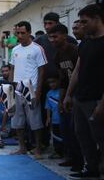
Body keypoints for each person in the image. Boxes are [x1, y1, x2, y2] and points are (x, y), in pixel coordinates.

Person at [64, 4, 104, 179]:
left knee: (101, 138)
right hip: (81, 98)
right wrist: (68, 95)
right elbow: (77, 71)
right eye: (80, 22)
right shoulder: (85, 42)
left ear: (97, 19)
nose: (82, 25)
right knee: (82, 136)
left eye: (85, 21)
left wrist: (102, 104)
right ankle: (92, 169)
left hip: (97, 99)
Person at [34, 12, 78, 148]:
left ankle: (66, 149)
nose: (47, 27)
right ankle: (45, 142)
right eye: (45, 23)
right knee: (45, 113)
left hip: (66, 86)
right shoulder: (40, 41)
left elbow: (75, 71)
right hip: (45, 82)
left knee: (65, 117)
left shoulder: (71, 43)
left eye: (50, 23)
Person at [48, 23, 83, 171]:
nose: (52, 40)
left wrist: (71, 96)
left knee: (77, 130)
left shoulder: (75, 51)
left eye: (55, 36)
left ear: (64, 35)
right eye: (50, 37)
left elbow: (80, 75)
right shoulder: (57, 56)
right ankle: (71, 157)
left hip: (79, 94)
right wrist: (61, 100)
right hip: (67, 95)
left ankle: (81, 162)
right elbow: (63, 80)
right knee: (65, 129)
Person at [9, 21, 47, 159]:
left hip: (31, 89)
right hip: (17, 89)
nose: (19, 35)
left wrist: (38, 92)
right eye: (17, 33)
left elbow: (42, 71)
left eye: (22, 33)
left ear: (29, 32)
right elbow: (12, 69)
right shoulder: (15, 50)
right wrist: (10, 88)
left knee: (35, 121)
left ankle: (38, 149)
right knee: (17, 121)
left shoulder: (37, 49)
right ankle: (22, 148)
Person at [44, 78, 62, 159]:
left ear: (58, 81)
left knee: (64, 135)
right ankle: (57, 151)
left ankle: (66, 151)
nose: (52, 84)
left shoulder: (62, 91)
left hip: (62, 119)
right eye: (50, 83)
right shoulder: (49, 94)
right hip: (54, 119)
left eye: (53, 81)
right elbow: (48, 107)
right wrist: (48, 118)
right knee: (55, 136)